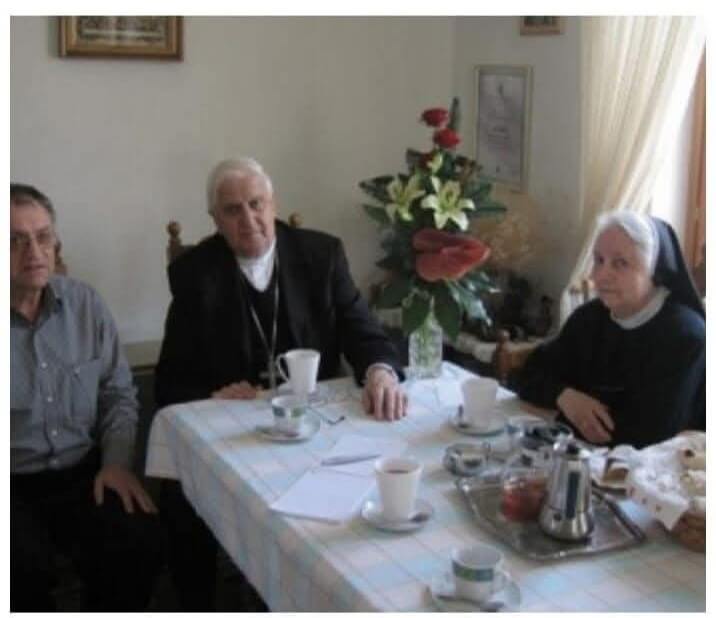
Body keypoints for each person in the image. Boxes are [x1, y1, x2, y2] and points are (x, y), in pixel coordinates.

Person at [154, 157, 407, 609]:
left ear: (273, 204)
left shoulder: (321, 255)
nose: (248, 219)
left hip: (318, 434)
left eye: (256, 204)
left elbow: (363, 331)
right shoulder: (195, 273)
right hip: (238, 437)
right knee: (181, 494)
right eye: (232, 210)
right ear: (215, 220)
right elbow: (170, 380)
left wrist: (380, 370)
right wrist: (212, 395)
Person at [10, 183, 163, 610]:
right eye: (15, 241)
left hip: (85, 472)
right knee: (21, 569)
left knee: (139, 541)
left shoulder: (85, 305)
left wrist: (116, 463)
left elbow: (118, 394)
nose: (34, 253)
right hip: (13, 486)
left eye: (43, 237)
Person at [513, 211, 705, 449]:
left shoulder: (685, 336)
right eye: (598, 260)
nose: (601, 275)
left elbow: (650, 436)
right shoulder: (589, 317)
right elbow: (528, 375)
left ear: (654, 271)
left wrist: (563, 415)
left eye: (620, 263)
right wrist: (564, 396)